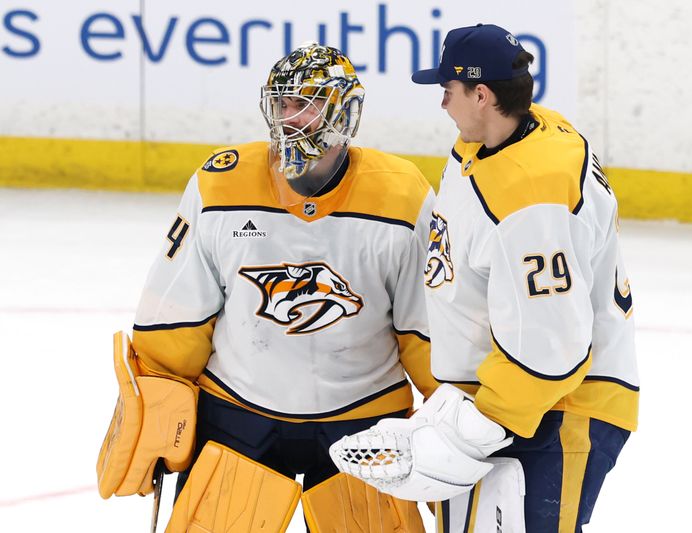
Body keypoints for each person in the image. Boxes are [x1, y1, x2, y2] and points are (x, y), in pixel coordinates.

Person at [96, 43, 437, 533]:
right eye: (283, 103)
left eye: (309, 103)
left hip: (365, 420)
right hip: (238, 410)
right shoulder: (222, 184)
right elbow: (179, 307)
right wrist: (158, 393)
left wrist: (451, 408)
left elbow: (426, 326)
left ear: (345, 111)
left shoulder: (403, 195)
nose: (292, 118)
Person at [331, 24, 639, 533]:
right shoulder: (504, 137)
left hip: (556, 408)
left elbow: (553, 345)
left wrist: (475, 424)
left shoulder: (531, 194)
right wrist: (456, 403)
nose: (442, 104)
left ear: (482, 94)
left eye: (447, 91)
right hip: (510, 400)